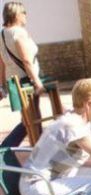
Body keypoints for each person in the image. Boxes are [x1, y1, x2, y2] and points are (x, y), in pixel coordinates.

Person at [0, 1, 43, 147]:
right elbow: (26, 60)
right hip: (26, 80)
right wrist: (37, 81)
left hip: (14, 80)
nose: (26, 16)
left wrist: (2, 84)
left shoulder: (2, 34)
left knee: (31, 119)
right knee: (30, 120)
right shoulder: (18, 33)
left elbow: (2, 63)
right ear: (17, 14)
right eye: (24, 13)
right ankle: (4, 149)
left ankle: (40, 148)